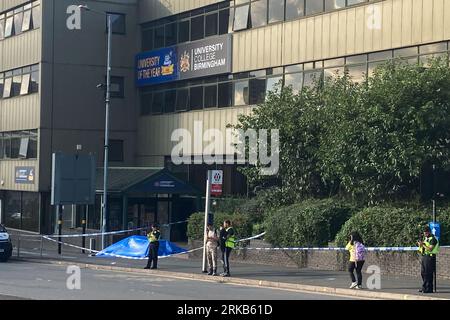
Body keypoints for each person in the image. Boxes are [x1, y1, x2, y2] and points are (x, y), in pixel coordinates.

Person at [417, 225, 440, 293]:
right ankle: (424, 287)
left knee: (428, 273)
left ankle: (429, 289)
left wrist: (422, 244)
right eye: (424, 232)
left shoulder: (433, 239)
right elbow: (423, 247)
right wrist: (420, 245)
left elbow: (430, 248)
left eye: (426, 232)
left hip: (430, 257)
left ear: (429, 232)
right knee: (423, 273)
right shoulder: (426, 238)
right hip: (424, 256)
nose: (425, 234)